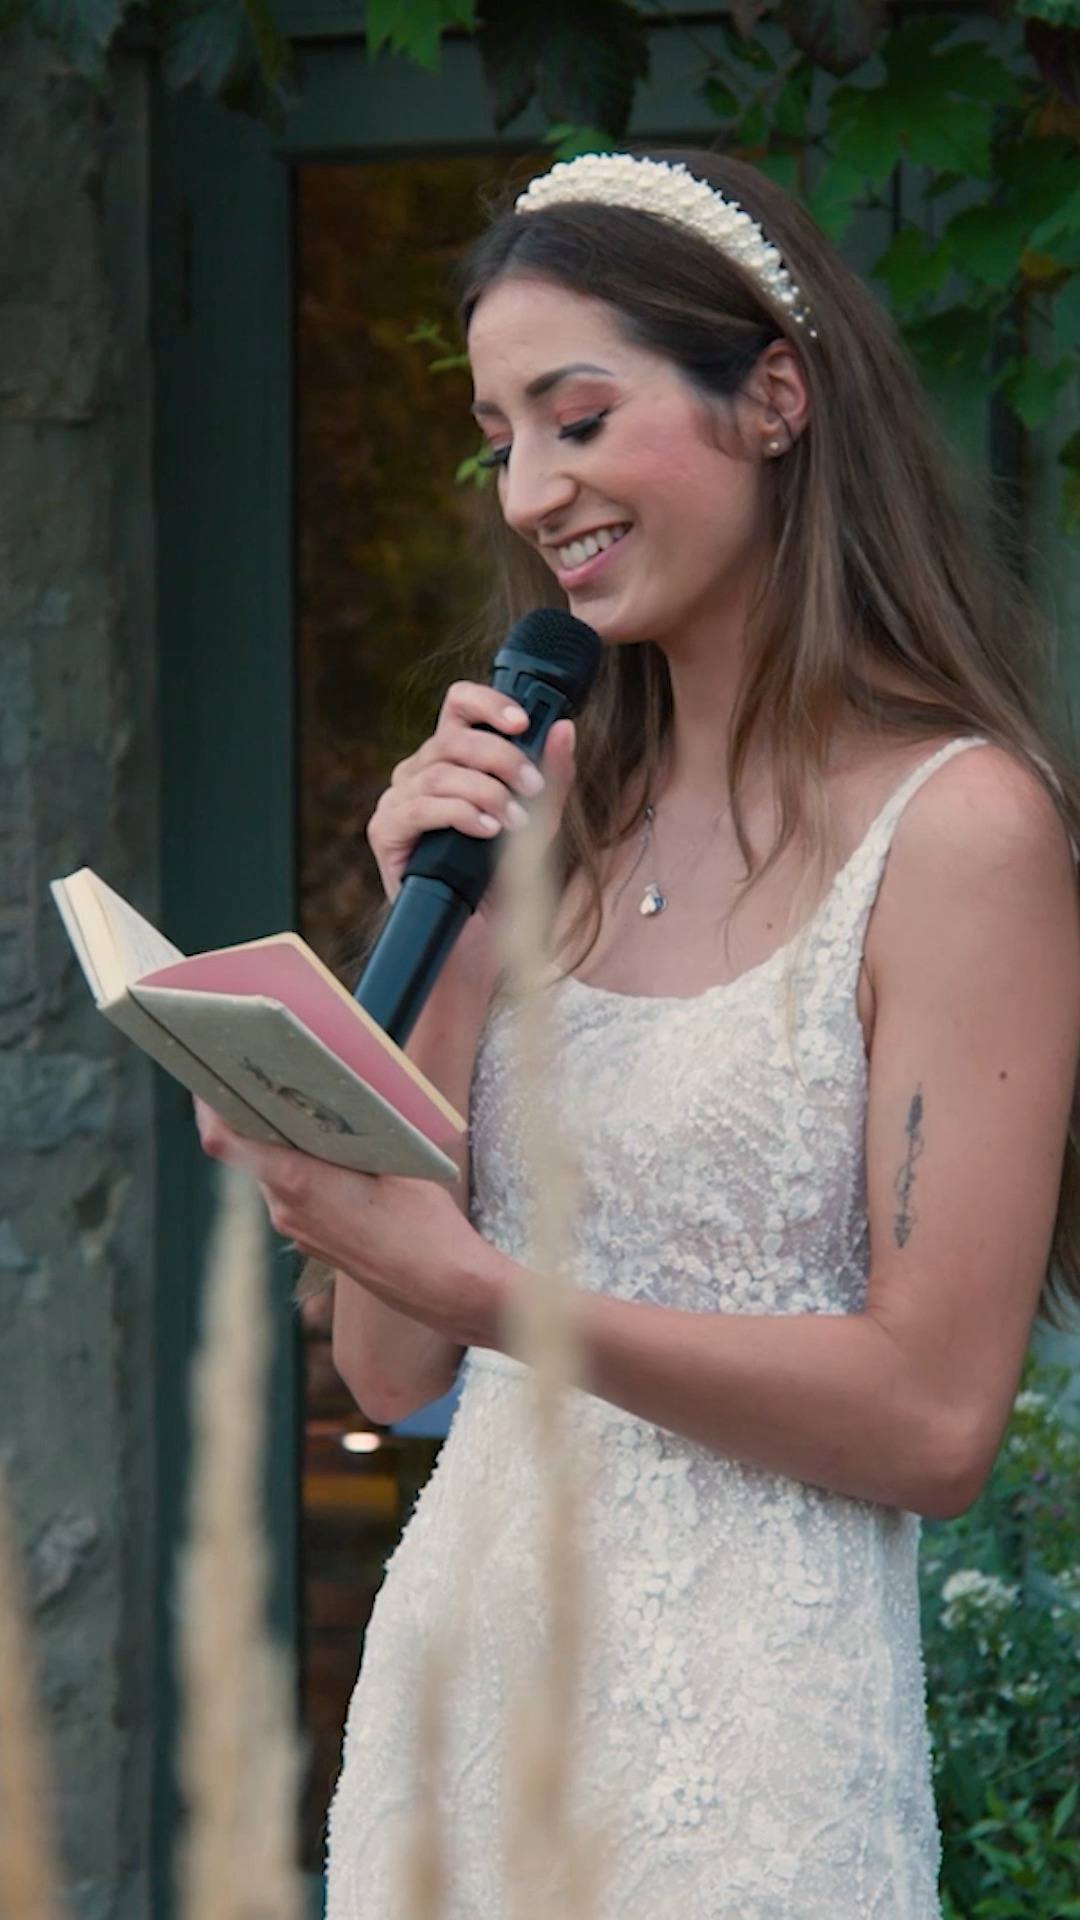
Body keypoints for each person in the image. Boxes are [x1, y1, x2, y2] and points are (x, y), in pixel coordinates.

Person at [196, 150, 1080, 1918]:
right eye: (501, 436)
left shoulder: (962, 832)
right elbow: (388, 1374)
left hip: (742, 1781)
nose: (533, 488)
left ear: (773, 394)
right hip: (455, 1730)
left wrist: (475, 1287)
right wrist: (449, 944)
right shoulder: (558, 821)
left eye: (578, 415)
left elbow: (933, 1420)